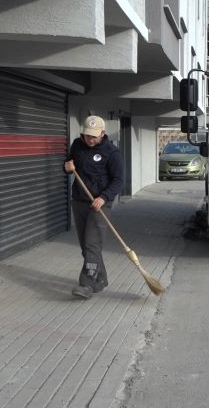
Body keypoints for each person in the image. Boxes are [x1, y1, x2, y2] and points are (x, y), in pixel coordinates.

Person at [64, 115, 124, 299]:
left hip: (99, 205)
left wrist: (104, 197)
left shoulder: (111, 152)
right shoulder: (77, 145)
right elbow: (69, 163)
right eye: (87, 135)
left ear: (103, 133)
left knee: (92, 244)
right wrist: (66, 166)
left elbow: (119, 180)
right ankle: (102, 278)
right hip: (80, 201)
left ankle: (87, 284)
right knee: (87, 246)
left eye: (94, 136)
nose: (90, 139)